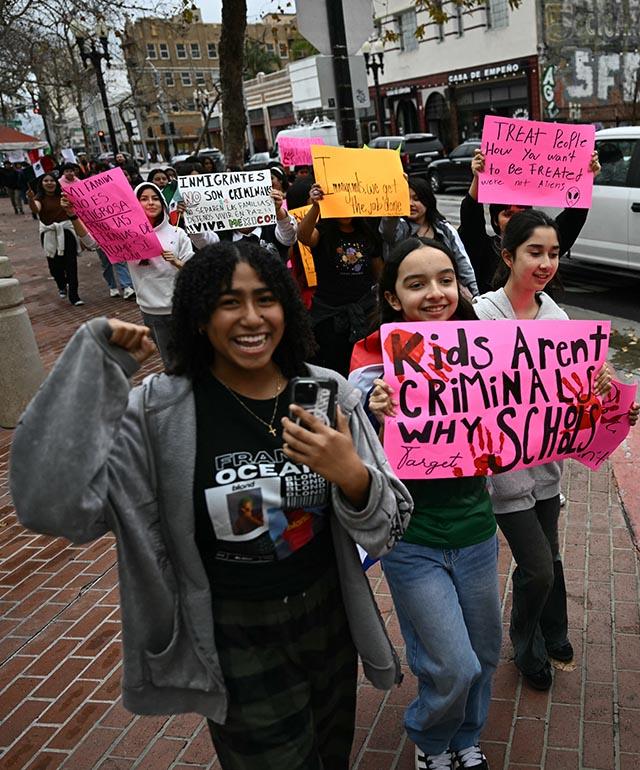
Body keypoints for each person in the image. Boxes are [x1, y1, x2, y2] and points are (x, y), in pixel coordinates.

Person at [11, 240, 412, 769]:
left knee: (330, 756)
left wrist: (353, 477)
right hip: (234, 636)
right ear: (199, 317)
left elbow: (391, 525)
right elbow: (50, 507)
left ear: (286, 310)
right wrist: (95, 370)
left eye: (265, 299)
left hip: (327, 619)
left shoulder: (326, 392)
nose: (251, 317)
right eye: (228, 302)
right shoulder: (157, 411)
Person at [472, 210, 640, 691]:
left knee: (551, 555)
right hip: (502, 472)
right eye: (534, 252)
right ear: (508, 256)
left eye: (554, 253)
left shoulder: (558, 317)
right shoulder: (482, 315)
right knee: (538, 564)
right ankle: (526, 644)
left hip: (548, 468)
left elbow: (576, 400)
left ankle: (554, 630)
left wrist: (604, 392)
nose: (546, 262)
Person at [363, 237, 499, 770]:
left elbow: (535, 416)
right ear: (393, 297)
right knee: (452, 662)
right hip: (412, 539)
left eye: (445, 279)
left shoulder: (489, 348)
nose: (436, 293)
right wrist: (372, 412)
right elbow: (353, 453)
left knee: (484, 655)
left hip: (476, 534)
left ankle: (465, 737)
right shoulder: (369, 357)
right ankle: (429, 735)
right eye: (416, 284)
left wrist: (592, 396)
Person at [65, 182, 193, 368]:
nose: (150, 203)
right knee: (171, 362)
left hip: (182, 308)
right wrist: (73, 215)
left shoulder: (177, 232)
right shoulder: (126, 234)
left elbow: (193, 267)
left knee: (193, 356)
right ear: (134, 203)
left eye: (155, 198)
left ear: (163, 203)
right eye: (144, 199)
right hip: (152, 312)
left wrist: (176, 262)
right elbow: (91, 243)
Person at [458, 149, 599, 294]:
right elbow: (471, 218)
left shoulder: (545, 244)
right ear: (495, 220)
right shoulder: (483, 248)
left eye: (522, 213)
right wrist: (478, 177)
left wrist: (585, 177)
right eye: (508, 214)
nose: (517, 220)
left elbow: (573, 218)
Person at [297, 182, 383, 376]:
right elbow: (303, 236)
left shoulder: (368, 234)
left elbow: (379, 273)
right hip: (330, 316)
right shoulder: (323, 232)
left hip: (364, 315)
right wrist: (316, 206)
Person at [381, 176, 478, 296]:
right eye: (405, 199)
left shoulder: (445, 229)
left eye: (417, 199)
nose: (411, 204)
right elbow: (387, 228)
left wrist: (475, 295)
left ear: (427, 200)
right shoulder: (398, 229)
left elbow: (462, 262)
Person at [190, 180, 297, 262]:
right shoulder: (221, 236)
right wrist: (191, 214)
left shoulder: (273, 229)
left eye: (246, 206)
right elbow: (201, 240)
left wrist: (278, 210)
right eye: (235, 207)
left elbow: (289, 235)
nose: (241, 213)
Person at [28, 171, 83, 305]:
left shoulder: (64, 195)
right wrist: (30, 199)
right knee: (55, 267)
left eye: (52, 180)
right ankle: (62, 285)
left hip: (66, 232)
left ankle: (74, 296)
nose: (49, 183)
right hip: (49, 235)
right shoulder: (38, 198)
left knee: (71, 265)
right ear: (41, 184)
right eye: (46, 181)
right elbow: (36, 209)